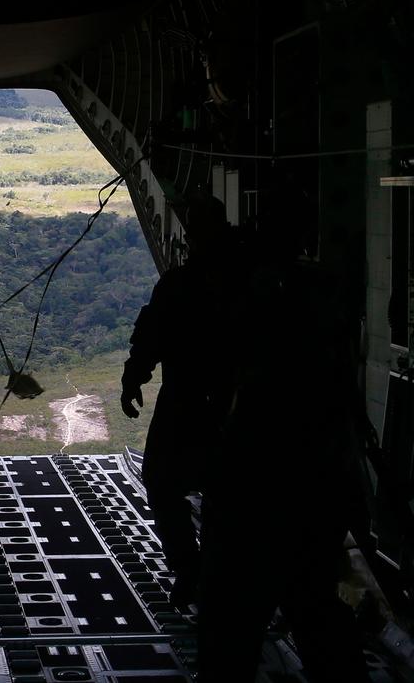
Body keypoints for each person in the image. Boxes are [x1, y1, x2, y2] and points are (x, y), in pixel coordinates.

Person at [196, 195, 368, 681]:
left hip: (251, 479)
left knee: (231, 622)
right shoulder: (322, 298)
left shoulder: (247, 298)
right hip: (311, 483)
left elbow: (220, 369)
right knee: (317, 613)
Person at [120, 194, 235, 610]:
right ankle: (213, 575)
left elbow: (151, 336)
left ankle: (192, 571)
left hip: (186, 401)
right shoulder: (251, 284)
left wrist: (134, 379)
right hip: (236, 406)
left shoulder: (181, 284)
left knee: (164, 484)